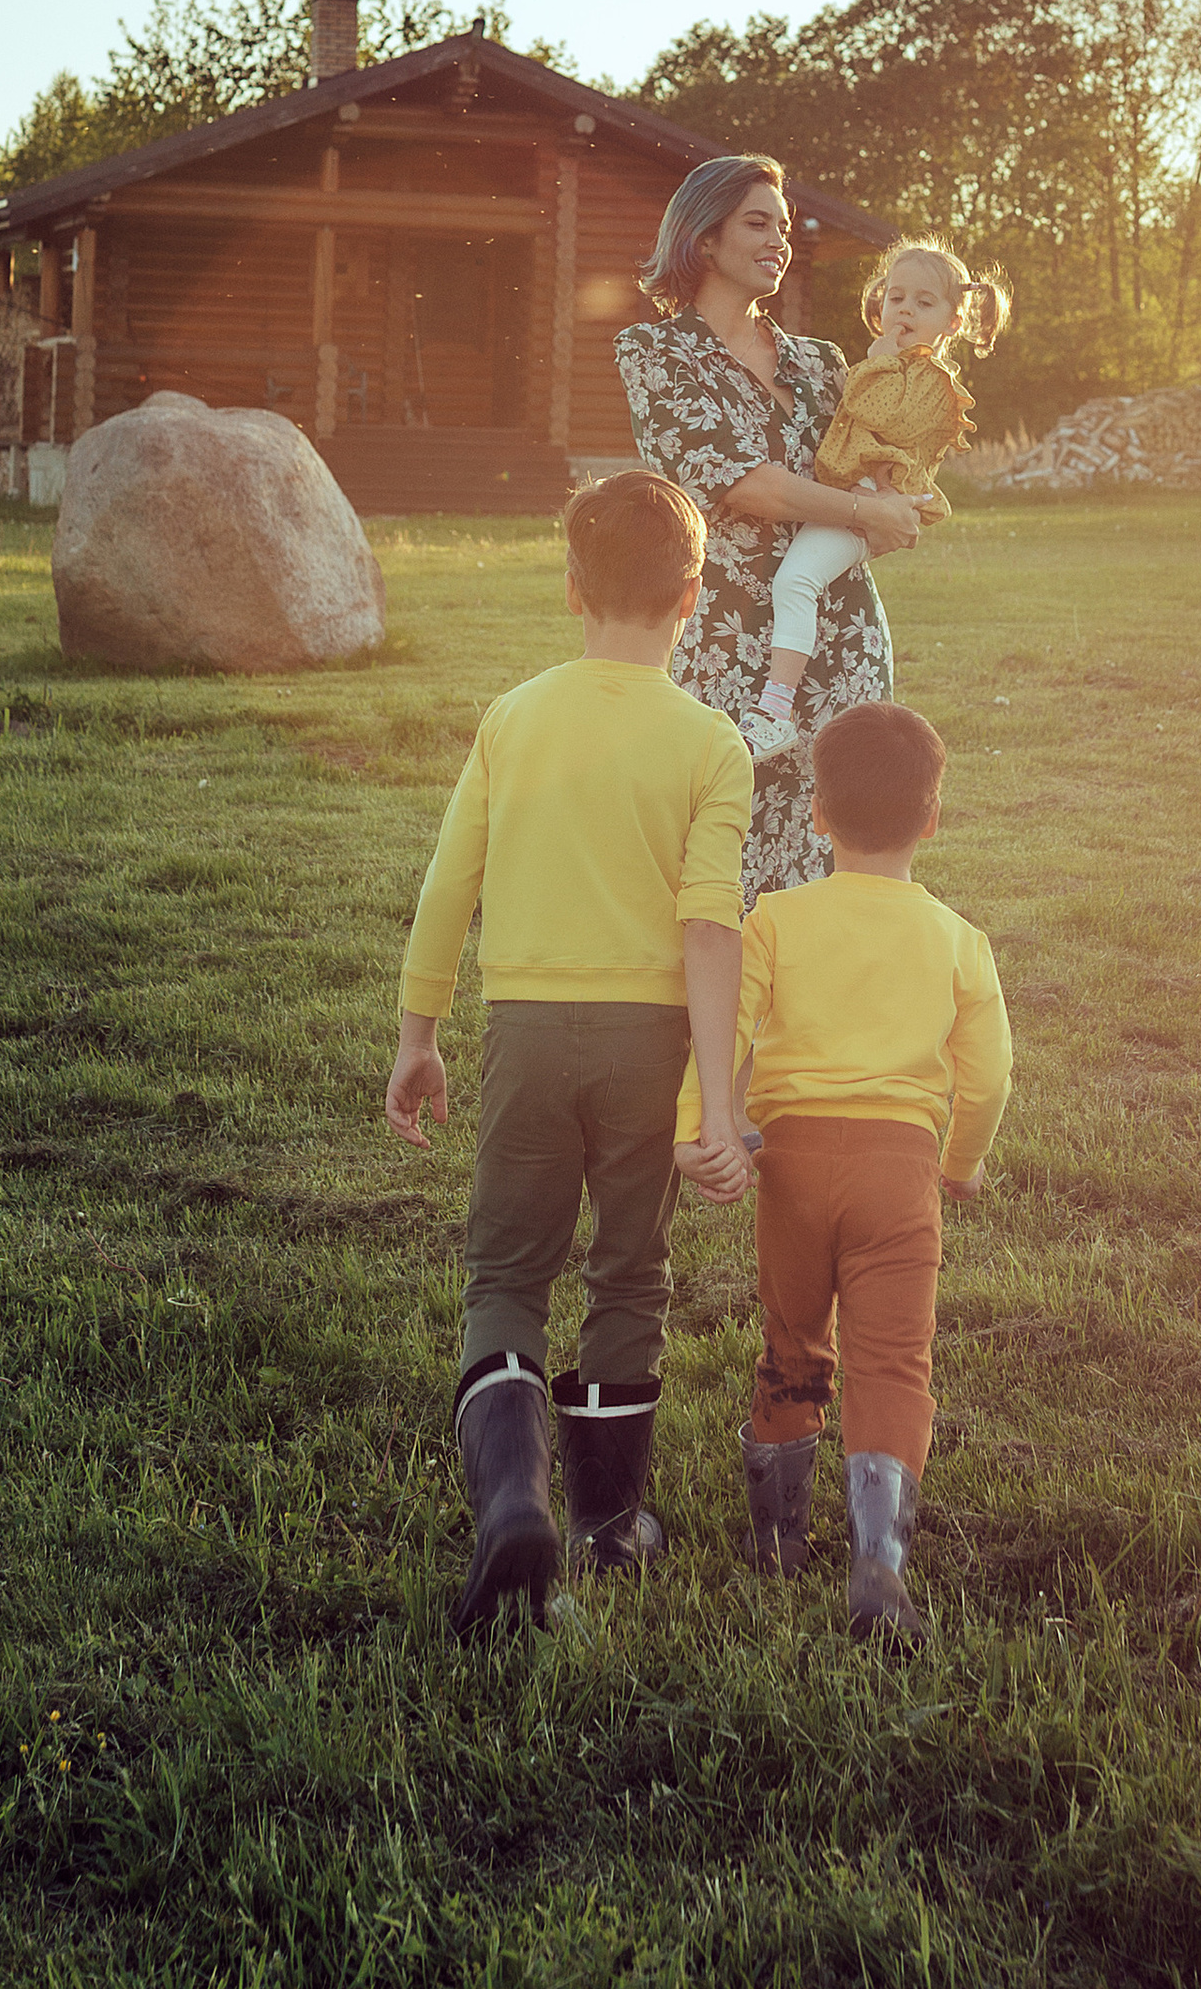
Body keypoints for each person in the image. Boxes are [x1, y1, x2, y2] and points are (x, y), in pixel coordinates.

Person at [382, 469, 756, 1637]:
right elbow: (709, 928)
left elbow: (451, 885)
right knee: (628, 1273)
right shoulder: (711, 743)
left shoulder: (515, 715)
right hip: (649, 1044)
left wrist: (419, 1034)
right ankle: (607, 1524)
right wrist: (716, 1102)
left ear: (569, 592)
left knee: (506, 1275)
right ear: (692, 598)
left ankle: (509, 1503)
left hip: (528, 1034)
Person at [672, 700, 1011, 1646]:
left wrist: (706, 1129)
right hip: (901, 1171)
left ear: (816, 813)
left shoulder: (774, 921)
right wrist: (964, 1163)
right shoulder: (958, 941)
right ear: (932, 820)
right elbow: (989, 1076)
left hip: (792, 1168)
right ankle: (878, 1559)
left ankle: (776, 1542)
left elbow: (726, 1029)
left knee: (792, 1344)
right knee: (892, 1361)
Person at [616, 154, 921, 905]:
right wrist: (860, 511)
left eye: (784, 227)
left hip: (842, 634)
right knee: (728, 857)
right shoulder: (654, 353)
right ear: (704, 237)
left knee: (846, 860)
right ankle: (723, 1022)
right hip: (728, 636)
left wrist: (896, 500)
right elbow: (740, 483)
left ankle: (830, 1019)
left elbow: (874, 463)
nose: (778, 239)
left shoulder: (822, 363)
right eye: (757, 222)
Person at [741, 241, 1011, 761]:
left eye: (924, 303)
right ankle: (779, 705)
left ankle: (773, 712)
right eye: (896, 296)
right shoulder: (897, 368)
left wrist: (876, 363)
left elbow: (874, 411)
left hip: (868, 505)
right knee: (800, 580)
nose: (904, 309)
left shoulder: (928, 380)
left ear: (953, 323)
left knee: (796, 580)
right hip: (856, 496)